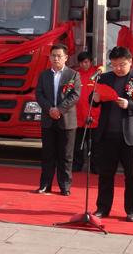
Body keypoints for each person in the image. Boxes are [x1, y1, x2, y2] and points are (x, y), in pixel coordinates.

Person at [92, 46, 133, 223]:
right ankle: (102, 208)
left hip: (131, 135)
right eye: (114, 65)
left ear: (130, 62)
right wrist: (95, 99)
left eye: (122, 65)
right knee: (105, 174)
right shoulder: (105, 78)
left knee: (132, 175)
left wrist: (130, 105)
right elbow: (93, 99)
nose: (118, 68)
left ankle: (132, 210)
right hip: (108, 134)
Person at [35, 43, 80, 196]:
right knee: (47, 155)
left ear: (66, 58)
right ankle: (45, 185)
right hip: (48, 120)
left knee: (66, 156)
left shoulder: (73, 75)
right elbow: (39, 94)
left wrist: (59, 110)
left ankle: (65, 186)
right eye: (53, 55)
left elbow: (75, 95)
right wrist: (50, 109)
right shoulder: (44, 75)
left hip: (66, 121)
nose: (56, 58)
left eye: (59, 56)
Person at [73, 51, 101, 173]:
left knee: (95, 145)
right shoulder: (75, 75)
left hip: (94, 117)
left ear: (90, 62)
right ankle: (77, 165)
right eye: (82, 62)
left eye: (86, 62)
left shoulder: (97, 74)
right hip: (78, 117)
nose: (84, 64)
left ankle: (95, 167)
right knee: (77, 144)